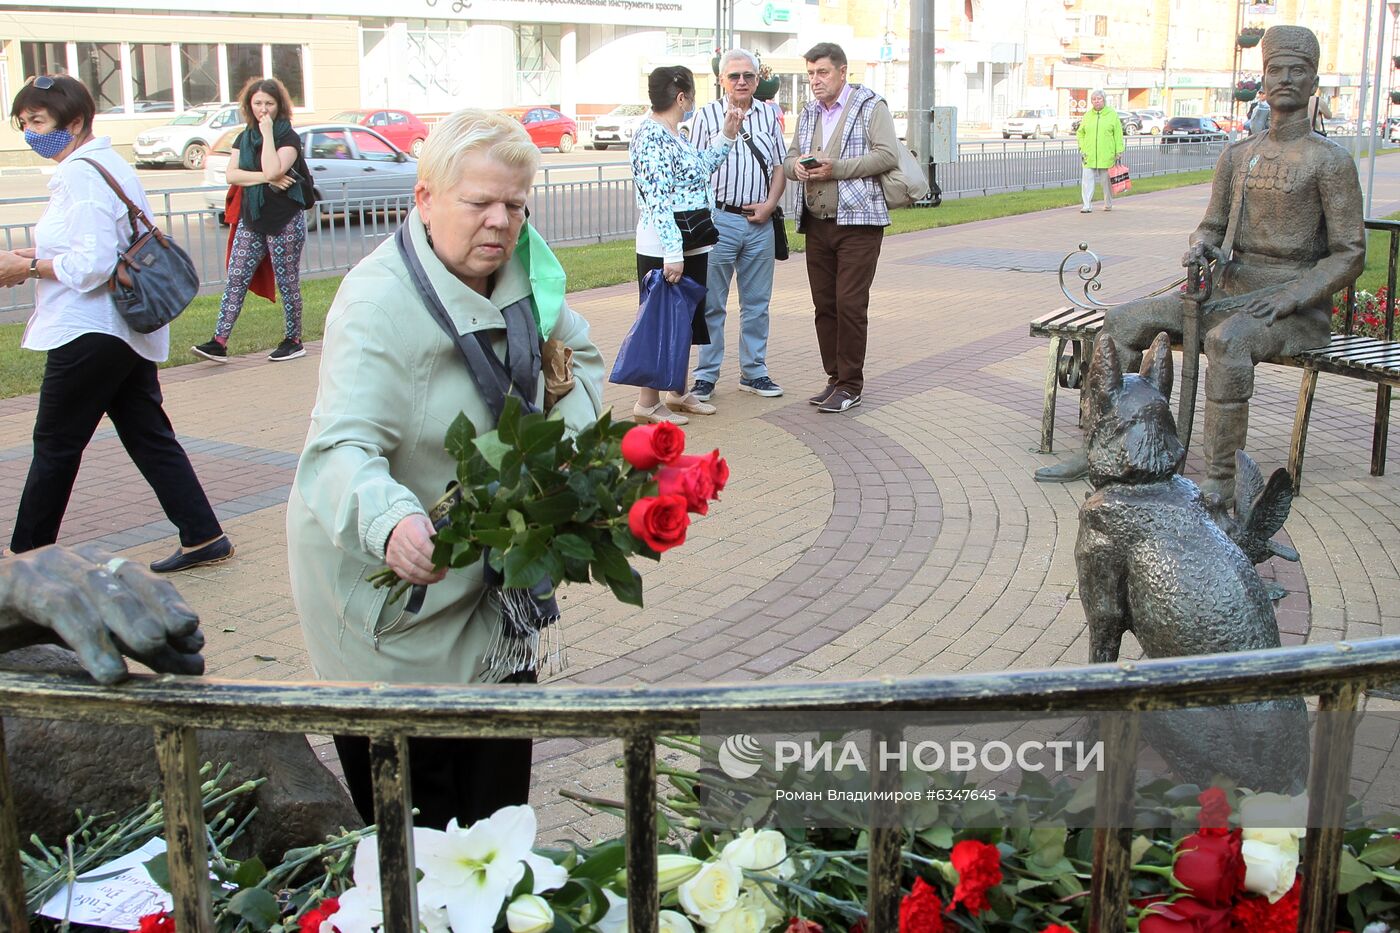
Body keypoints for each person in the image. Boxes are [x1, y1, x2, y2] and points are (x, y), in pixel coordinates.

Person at [286, 109, 606, 829]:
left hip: (492, 593)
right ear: (424, 198)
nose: (500, 222)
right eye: (479, 203)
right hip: (394, 602)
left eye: (516, 205)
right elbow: (338, 449)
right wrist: (391, 519)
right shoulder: (375, 305)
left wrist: (556, 457)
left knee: (498, 820)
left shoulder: (523, 265)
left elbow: (578, 360)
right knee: (419, 839)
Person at [1035, 25, 1364, 504]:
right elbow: (1210, 226)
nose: (1286, 79)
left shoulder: (1329, 161)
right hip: (1227, 289)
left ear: (1315, 83)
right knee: (1125, 319)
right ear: (1263, 81)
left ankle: (1221, 478)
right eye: (1276, 70)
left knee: (1226, 342)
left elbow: (1350, 254)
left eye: (1298, 71)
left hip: (1293, 307)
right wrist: (1200, 248)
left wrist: (1293, 296)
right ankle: (1107, 445)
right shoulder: (1239, 156)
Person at [0, 75, 233, 573]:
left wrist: (27, 267)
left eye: (38, 122)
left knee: (55, 445)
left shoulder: (81, 174)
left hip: (91, 330)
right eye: (23, 124)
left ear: (76, 120)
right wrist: (36, 255)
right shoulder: (104, 164)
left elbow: (93, 265)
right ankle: (203, 534)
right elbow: (93, 245)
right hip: (122, 330)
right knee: (148, 434)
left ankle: (25, 558)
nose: (30, 133)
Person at [783, 41, 898, 414]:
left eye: (823, 72)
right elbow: (788, 159)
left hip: (859, 222)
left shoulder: (870, 105)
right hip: (817, 222)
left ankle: (851, 383)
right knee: (824, 305)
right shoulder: (809, 112)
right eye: (811, 74)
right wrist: (796, 168)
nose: (815, 81)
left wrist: (838, 168)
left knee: (850, 304)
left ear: (842, 72)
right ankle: (834, 378)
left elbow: (887, 155)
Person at [629, 65, 742, 424]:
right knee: (660, 321)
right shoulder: (650, 137)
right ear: (682, 98)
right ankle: (648, 402)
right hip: (665, 248)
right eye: (692, 95)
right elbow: (658, 197)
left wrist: (726, 136)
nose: (693, 102)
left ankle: (677, 392)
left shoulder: (673, 134)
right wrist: (673, 254)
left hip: (691, 243)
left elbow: (699, 169)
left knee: (686, 321)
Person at [687, 49, 787, 404]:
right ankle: (705, 377)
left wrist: (771, 205)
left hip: (760, 222)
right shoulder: (705, 116)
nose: (741, 82)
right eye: (734, 76)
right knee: (712, 303)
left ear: (758, 80)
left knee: (757, 304)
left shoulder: (769, 116)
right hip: (719, 220)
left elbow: (779, 167)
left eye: (748, 75)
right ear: (721, 80)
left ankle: (754, 372)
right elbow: (694, 169)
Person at [192, 77, 309, 364]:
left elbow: (273, 169)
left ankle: (293, 339)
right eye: (258, 103)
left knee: (287, 280)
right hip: (252, 218)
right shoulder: (244, 137)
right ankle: (219, 341)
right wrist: (262, 178)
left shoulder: (287, 137)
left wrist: (268, 135)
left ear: (279, 105)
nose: (263, 110)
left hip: (284, 219)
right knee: (236, 277)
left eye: (269, 104)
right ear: (249, 105)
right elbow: (233, 175)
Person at [1076, 90, 1124, 213]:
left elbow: (1118, 134)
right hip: (1089, 154)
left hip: (1106, 154)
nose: (1096, 101)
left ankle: (1108, 203)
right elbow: (1080, 132)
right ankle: (1086, 205)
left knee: (1105, 181)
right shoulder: (1088, 115)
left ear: (1104, 100)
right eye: (1094, 99)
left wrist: (1119, 150)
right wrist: (1082, 146)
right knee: (1087, 181)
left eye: (1099, 99)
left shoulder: (1112, 114)